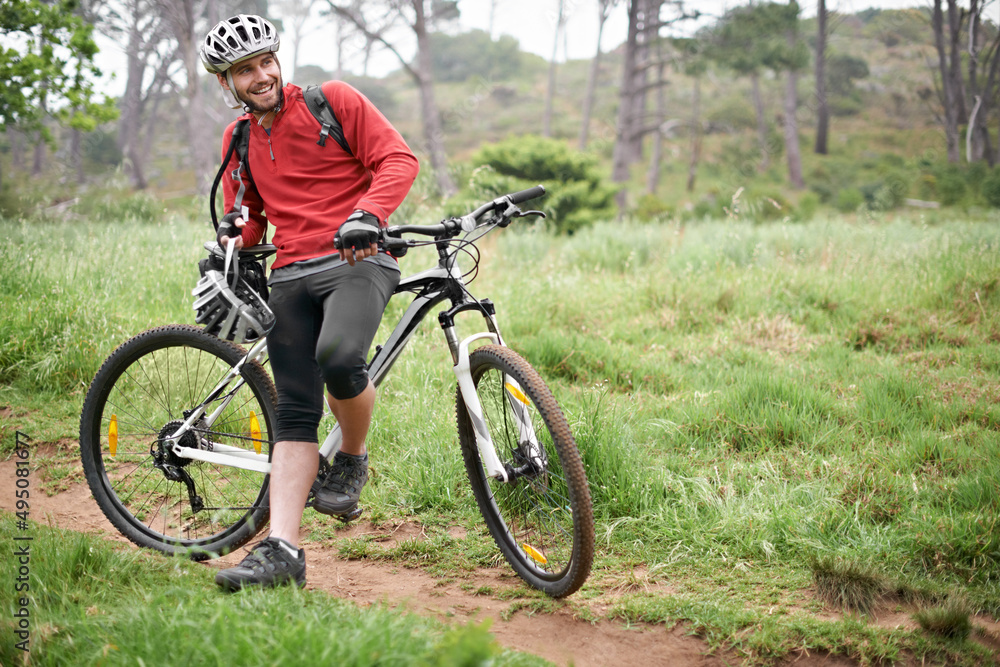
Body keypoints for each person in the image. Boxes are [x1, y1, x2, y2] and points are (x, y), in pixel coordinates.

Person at [199, 14, 419, 591]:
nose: (261, 75)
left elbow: (397, 160)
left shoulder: (333, 102)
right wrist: (233, 236)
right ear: (228, 83)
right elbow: (250, 219)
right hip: (290, 274)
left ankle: (351, 456)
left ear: (278, 60)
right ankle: (283, 553)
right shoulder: (239, 139)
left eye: (266, 61)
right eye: (245, 70)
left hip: (357, 258)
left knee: (341, 356)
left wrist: (367, 214)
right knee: (295, 413)